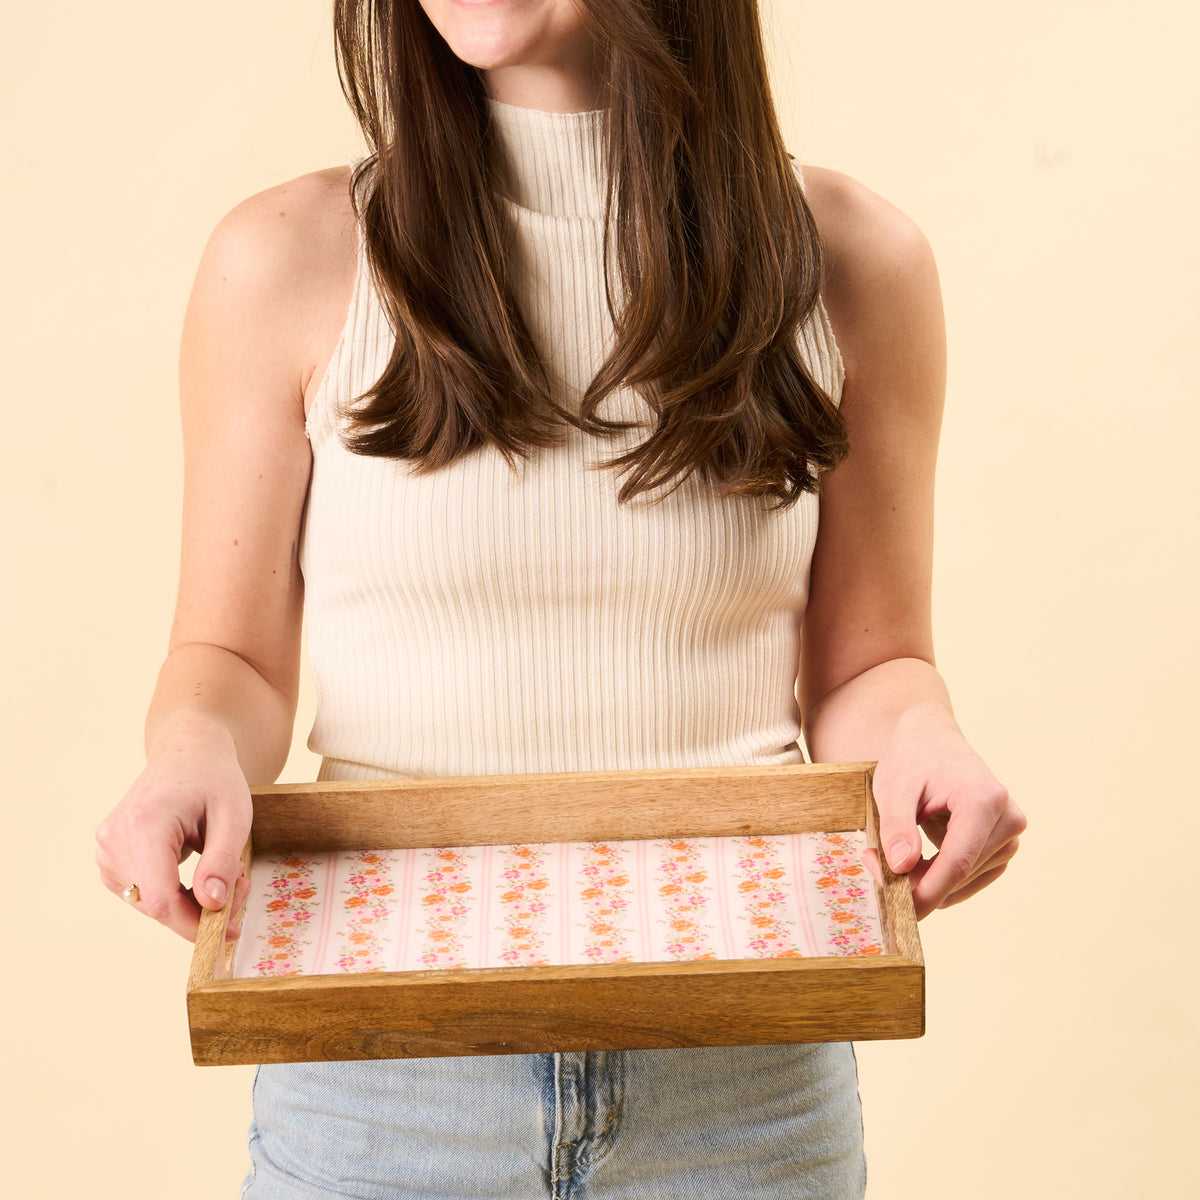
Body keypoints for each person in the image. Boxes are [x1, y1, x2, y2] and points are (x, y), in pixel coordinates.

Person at [94, 1, 1028, 1196]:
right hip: (381, 1082)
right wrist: (187, 752)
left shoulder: (854, 261)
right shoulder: (282, 257)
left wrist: (924, 740)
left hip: (740, 1076)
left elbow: (870, 669)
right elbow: (228, 655)